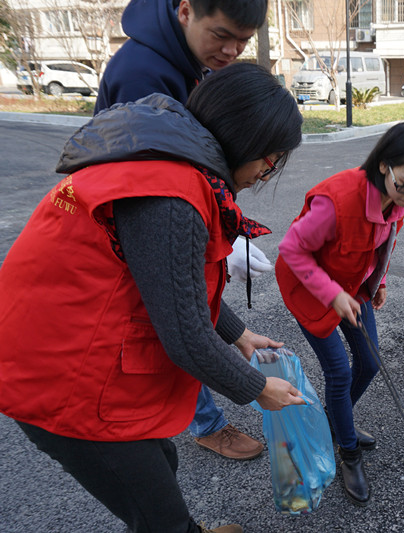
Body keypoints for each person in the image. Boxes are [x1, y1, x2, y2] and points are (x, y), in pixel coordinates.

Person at [0, 64, 305, 533]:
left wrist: (238, 333)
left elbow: (169, 284)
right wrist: (258, 389)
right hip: (63, 374)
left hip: (63, 341)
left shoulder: (166, 158)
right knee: (156, 512)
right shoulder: (169, 194)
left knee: (161, 458)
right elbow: (184, 335)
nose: (267, 172)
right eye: (271, 159)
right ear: (244, 139)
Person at [95, 0, 272, 460]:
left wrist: (237, 332)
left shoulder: (195, 60)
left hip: (160, 225)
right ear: (186, 11)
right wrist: (258, 389)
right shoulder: (142, 76)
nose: (232, 51)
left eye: (244, 41)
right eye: (222, 35)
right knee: (163, 331)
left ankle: (186, 418)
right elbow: (180, 317)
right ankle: (206, 423)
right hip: (127, 237)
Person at [274, 122, 404, 505]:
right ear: (384, 165)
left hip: (353, 285)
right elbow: (291, 249)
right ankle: (348, 452)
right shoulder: (337, 200)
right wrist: (332, 294)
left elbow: (384, 242)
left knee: (368, 362)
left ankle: (336, 423)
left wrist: (378, 281)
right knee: (338, 372)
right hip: (310, 288)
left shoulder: (397, 199)